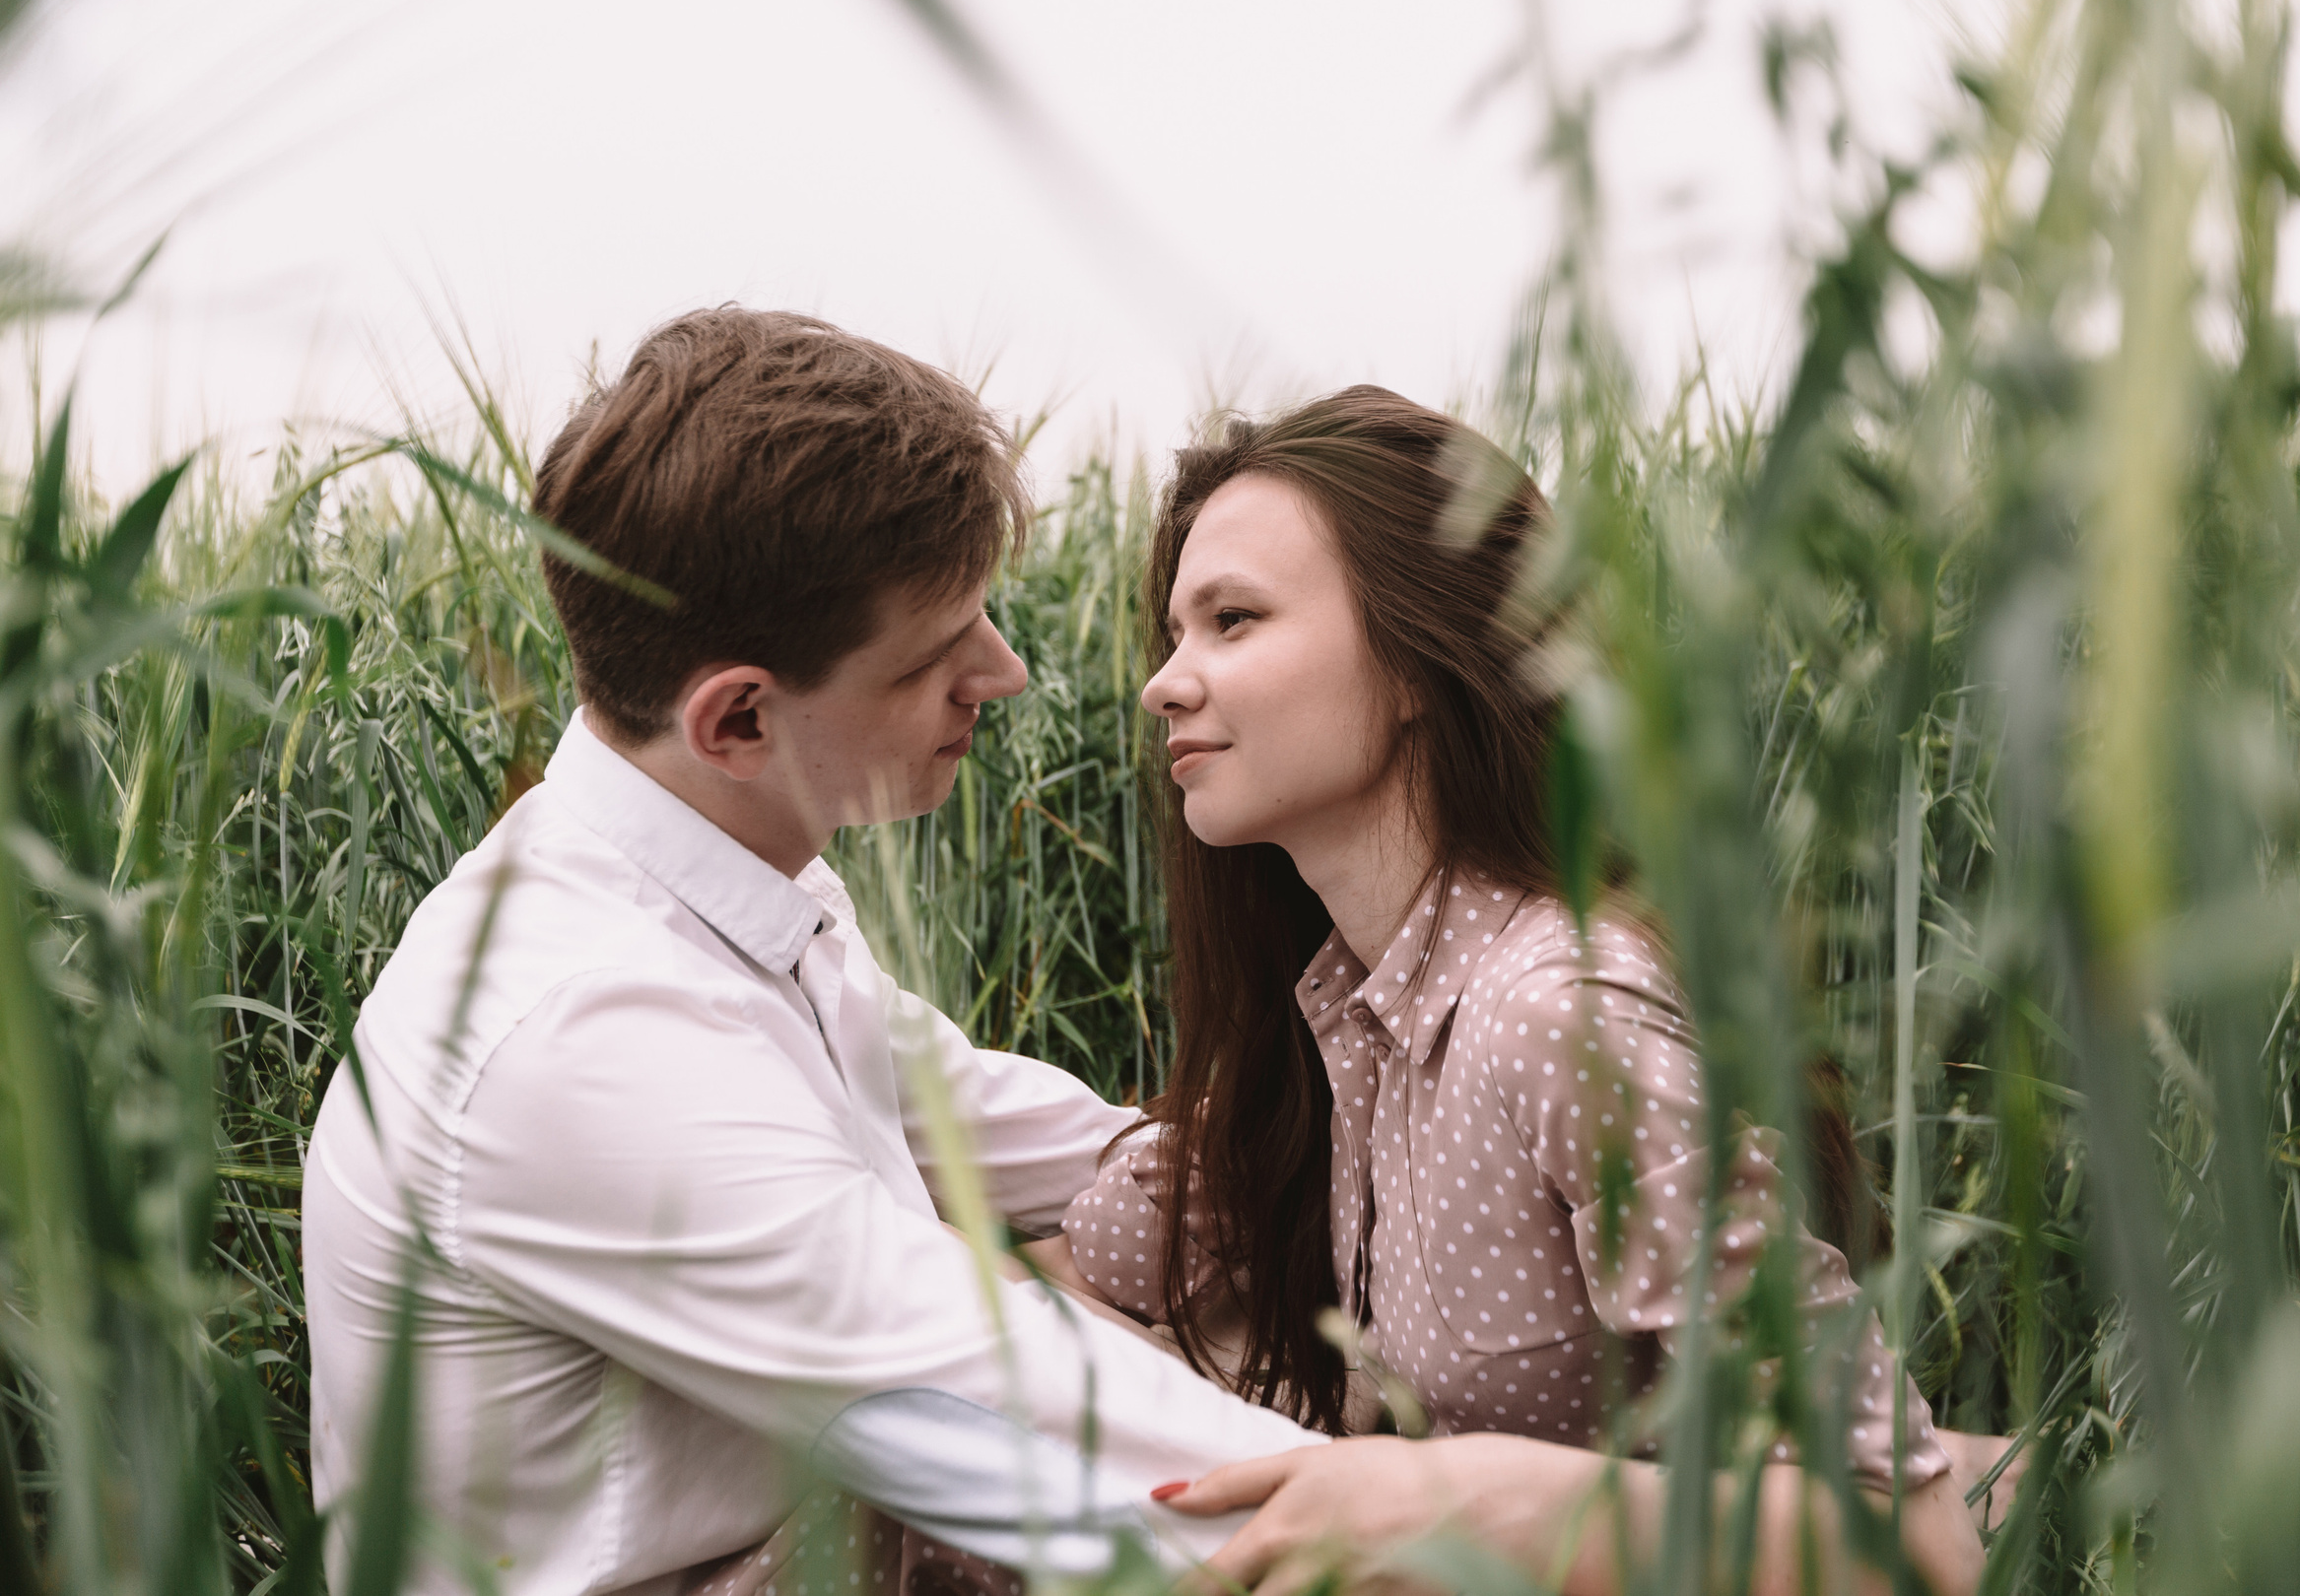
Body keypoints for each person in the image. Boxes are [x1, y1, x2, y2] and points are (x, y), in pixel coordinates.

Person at [301, 308, 1326, 1596]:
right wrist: (1430, 1512)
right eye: (935, 653)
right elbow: (984, 1386)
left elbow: (979, 1116)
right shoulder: (582, 1031)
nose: (1002, 673)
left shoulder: (721, 877)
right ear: (738, 716)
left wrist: (1331, 1156)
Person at [1038, 386, 1992, 1593]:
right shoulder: (1350, 1009)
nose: (1163, 683)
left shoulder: (1556, 1014)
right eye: (1173, 636)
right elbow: (1105, 1258)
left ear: (1415, 662)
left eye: (1232, 620)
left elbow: (1916, 1544)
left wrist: (1471, 1492)